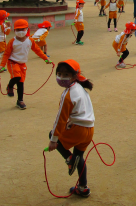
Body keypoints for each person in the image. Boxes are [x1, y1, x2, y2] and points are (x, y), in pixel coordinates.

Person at [47, 60, 94, 197]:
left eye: (66, 74)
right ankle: (83, 187)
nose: (61, 78)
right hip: (89, 130)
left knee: (52, 134)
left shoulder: (68, 94)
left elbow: (60, 119)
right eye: (59, 74)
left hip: (77, 129)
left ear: (74, 76)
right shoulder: (81, 88)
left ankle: (69, 159)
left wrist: (53, 140)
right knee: (80, 157)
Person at [0, 19, 51, 110]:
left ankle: (20, 101)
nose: (21, 32)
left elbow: (37, 50)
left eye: (23, 29)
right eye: (18, 30)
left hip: (22, 64)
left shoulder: (30, 40)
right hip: (12, 62)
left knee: (21, 83)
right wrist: (2, 65)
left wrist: (45, 58)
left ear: (27, 29)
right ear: (14, 31)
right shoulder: (12, 41)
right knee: (17, 77)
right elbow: (6, 54)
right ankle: (10, 86)